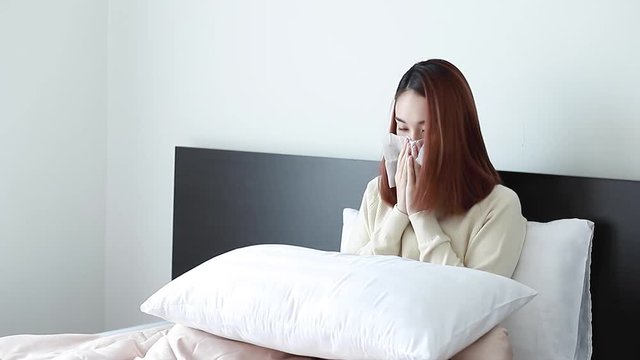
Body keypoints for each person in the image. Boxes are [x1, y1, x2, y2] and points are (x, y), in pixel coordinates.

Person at [342, 59, 527, 359]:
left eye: (424, 133)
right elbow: (346, 288)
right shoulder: (377, 194)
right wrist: (399, 214)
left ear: (455, 134)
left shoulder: (498, 207)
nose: (410, 146)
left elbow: (471, 307)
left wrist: (421, 217)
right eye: (402, 129)